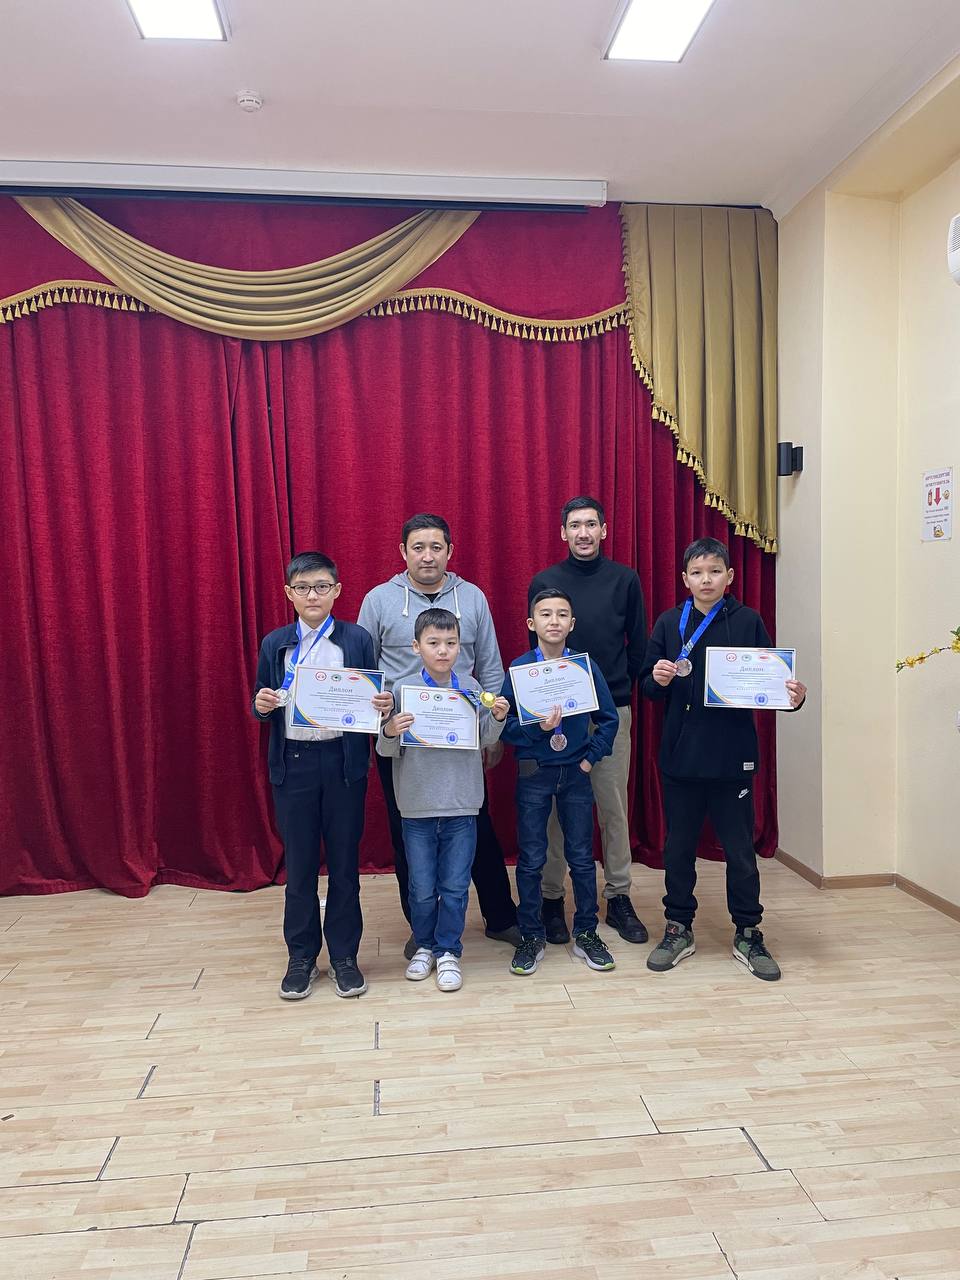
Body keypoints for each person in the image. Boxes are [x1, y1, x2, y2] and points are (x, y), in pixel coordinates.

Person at [639, 536, 807, 981]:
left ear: (729, 577)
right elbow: (649, 688)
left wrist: (794, 697)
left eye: (715, 571)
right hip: (680, 758)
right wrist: (657, 678)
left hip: (733, 759)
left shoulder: (748, 621)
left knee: (740, 851)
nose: (706, 580)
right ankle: (678, 927)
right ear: (685, 579)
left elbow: (772, 685)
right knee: (678, 849)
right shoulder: (669, 622)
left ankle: (748, 932)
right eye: (697, 573)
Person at [358, 514, 519, 957]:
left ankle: (501, 918)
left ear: (450, 551)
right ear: (403, 552)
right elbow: (365, 668)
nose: (427, 556)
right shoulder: (379, 600)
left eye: (436, 547)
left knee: (476, 825)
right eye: (418, 547)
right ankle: (423, 929)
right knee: (406, 832)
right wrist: (383, 725)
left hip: (461, 737)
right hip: (403, 738)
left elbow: (489, 665)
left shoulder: (473, 598)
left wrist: (493, 734)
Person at [252, 552, 394, 1001]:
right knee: (299, 867)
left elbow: (374, 694)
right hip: (293, 763)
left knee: (345, 866)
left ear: (337, 591)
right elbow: (260, 702)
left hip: (342, 762)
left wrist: (382, 704)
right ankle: (301, 957)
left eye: (321, 587)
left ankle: (345, 957)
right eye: (302, 588)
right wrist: (261, 705)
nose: (312, 595)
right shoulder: (276, 643)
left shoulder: (356, 639)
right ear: (289, 594)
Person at [528, 496, 648, 946]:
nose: (583, 533)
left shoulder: (625, 579)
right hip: (558, 716)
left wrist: (613, 692)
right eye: (575, 525)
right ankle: (552, 898)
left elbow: (638, 647)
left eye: (591, 524)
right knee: (556, 812)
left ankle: (618, 896)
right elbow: (538, 651)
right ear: (563, 532)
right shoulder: (545, 581)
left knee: (612, 808)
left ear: (603, 530)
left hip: (610, 710)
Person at [378, 608, 509, 991]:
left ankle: (449, 950)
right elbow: (385, 750)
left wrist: (497, 717)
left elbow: (485, 739)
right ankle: (425, 945)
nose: (442, 650)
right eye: (433, 643)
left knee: (454, 886)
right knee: (421, 888)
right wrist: (390, 730)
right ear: (415, 646)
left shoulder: (471, 688)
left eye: (451, 643)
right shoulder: (402, 691)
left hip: (462, 804)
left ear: (460, 647)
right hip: (416, 806)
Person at [500, 589, 620, 976]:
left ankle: (586, 931)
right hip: (534, 772)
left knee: (582, 858)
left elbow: (609, 719)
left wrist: (589, 759)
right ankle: (531, 935)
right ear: (531, 623)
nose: (554, 621)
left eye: (562, 614)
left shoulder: (584, 667)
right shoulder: (520, 669)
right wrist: (538, 727)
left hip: (575, 773)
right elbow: (506, 728)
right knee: (531, 858)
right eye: (546, 614)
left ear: (572, 624)